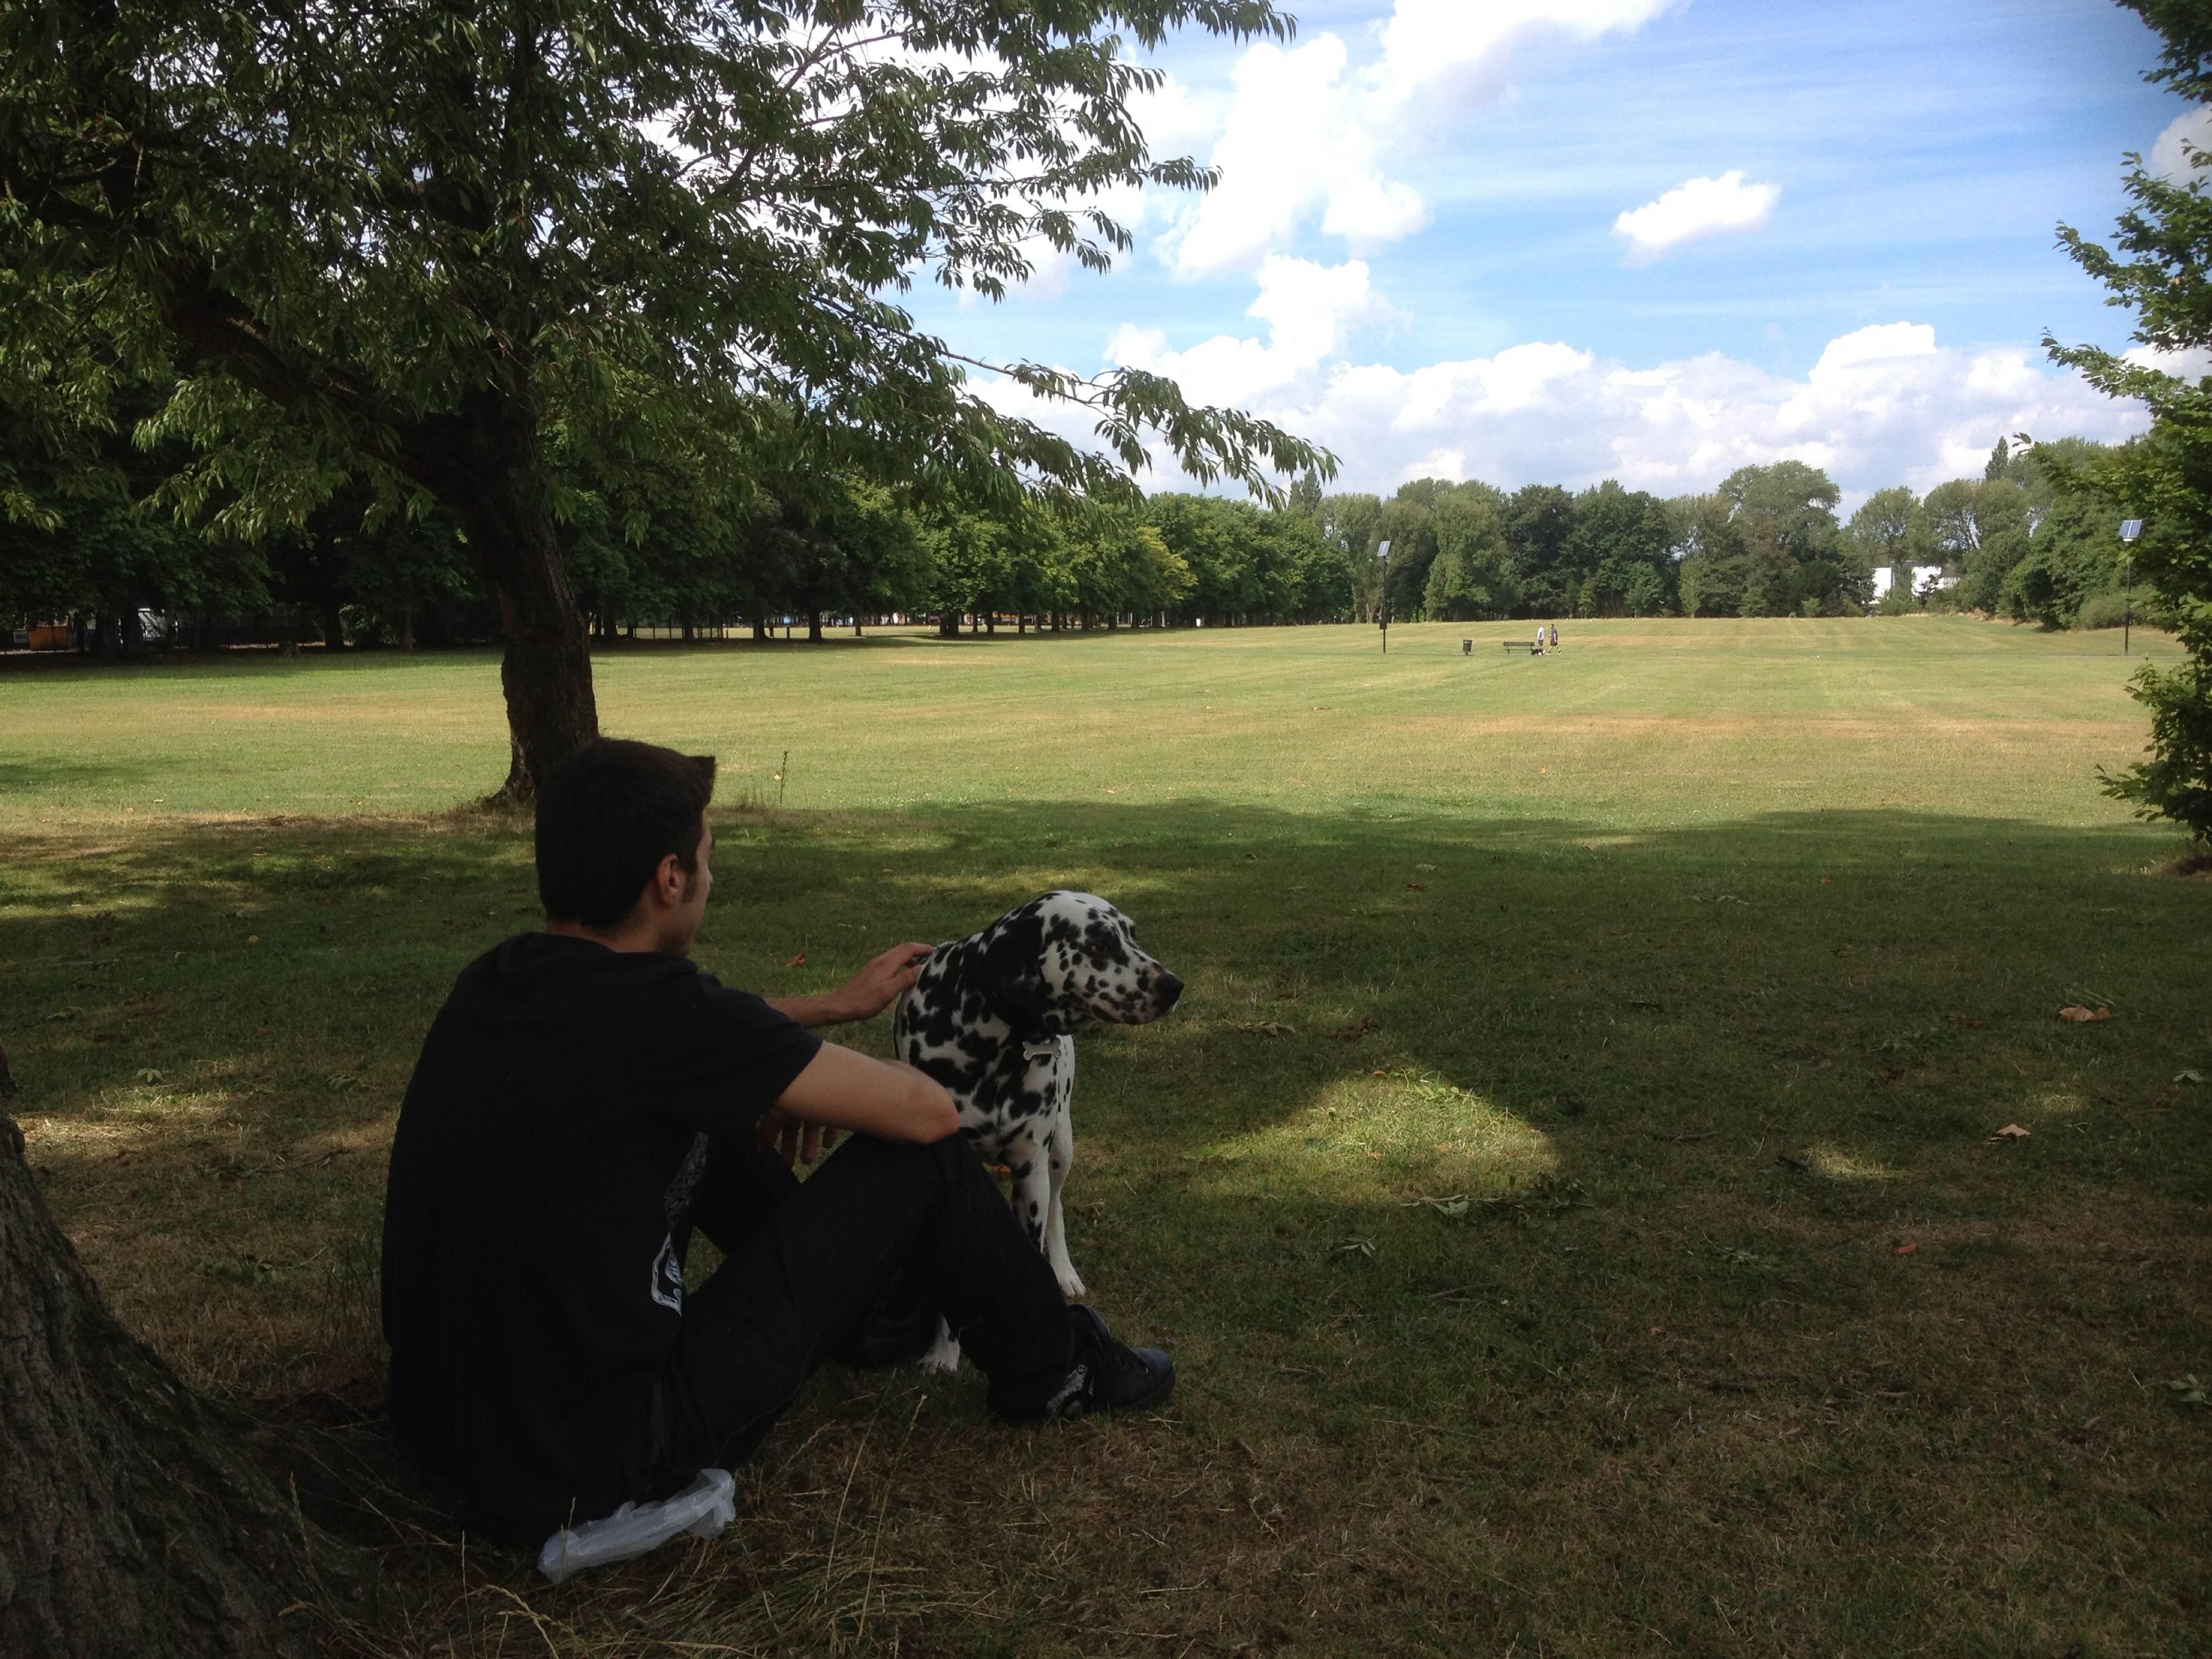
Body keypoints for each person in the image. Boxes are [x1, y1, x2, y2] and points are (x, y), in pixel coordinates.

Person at [380, 738, 1172, 1546]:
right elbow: (927, 1114)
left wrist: (818, 1020)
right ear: (670, 878)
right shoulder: (666, 1015)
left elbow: (693, 1040)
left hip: (452, 1437)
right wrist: (799, 1078)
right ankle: (1055, 1369)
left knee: (719, 1119)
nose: (710, 878)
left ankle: (882, 1321)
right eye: (707, 858)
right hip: (610, 1462)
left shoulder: (500, 978)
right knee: (923, 1158)